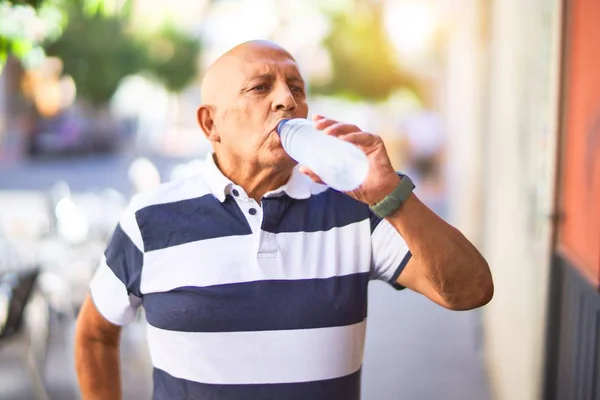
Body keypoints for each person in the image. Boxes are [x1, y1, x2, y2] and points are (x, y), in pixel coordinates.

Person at [74, 40, 493, 400]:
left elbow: (471, 290)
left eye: (296, 88)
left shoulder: (355, 211)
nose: (287, 100)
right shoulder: (150, 220)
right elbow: (94, 334)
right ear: (210, 123)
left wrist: (393, 197)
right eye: (261, 87)